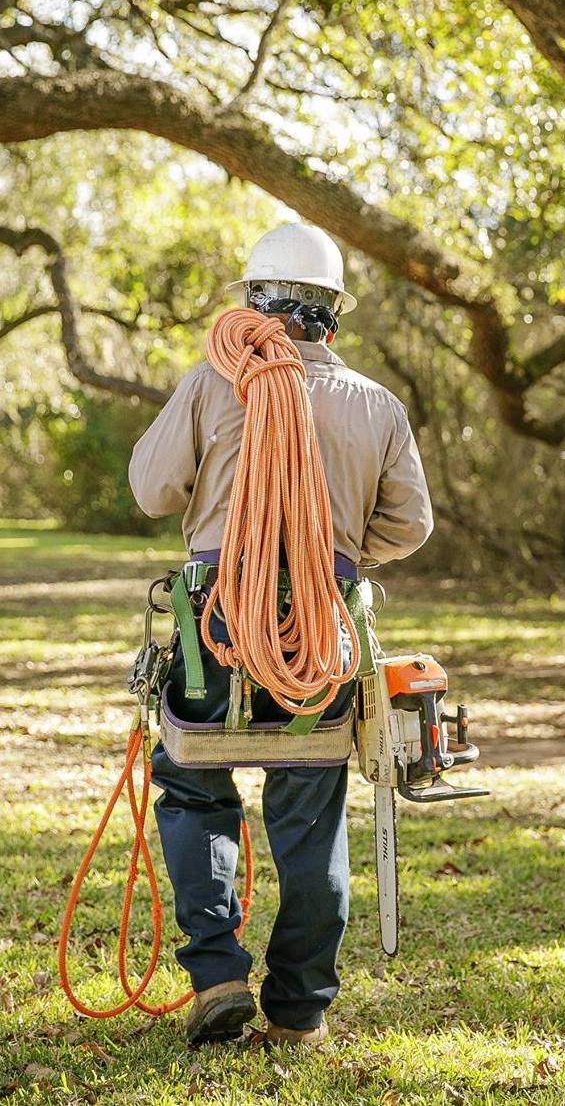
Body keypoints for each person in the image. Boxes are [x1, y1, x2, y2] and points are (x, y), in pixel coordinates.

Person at [128, 223, 434, 1047]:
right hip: (320, 639)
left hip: (211, 633)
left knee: (195, 792)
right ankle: (298, 1014)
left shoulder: (208, 386)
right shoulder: (374, 404)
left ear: (253, 303)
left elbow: (153, 488)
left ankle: (219, 975)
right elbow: (408, 523)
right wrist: (327, 557)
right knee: (310, 816)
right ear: (332, 313)